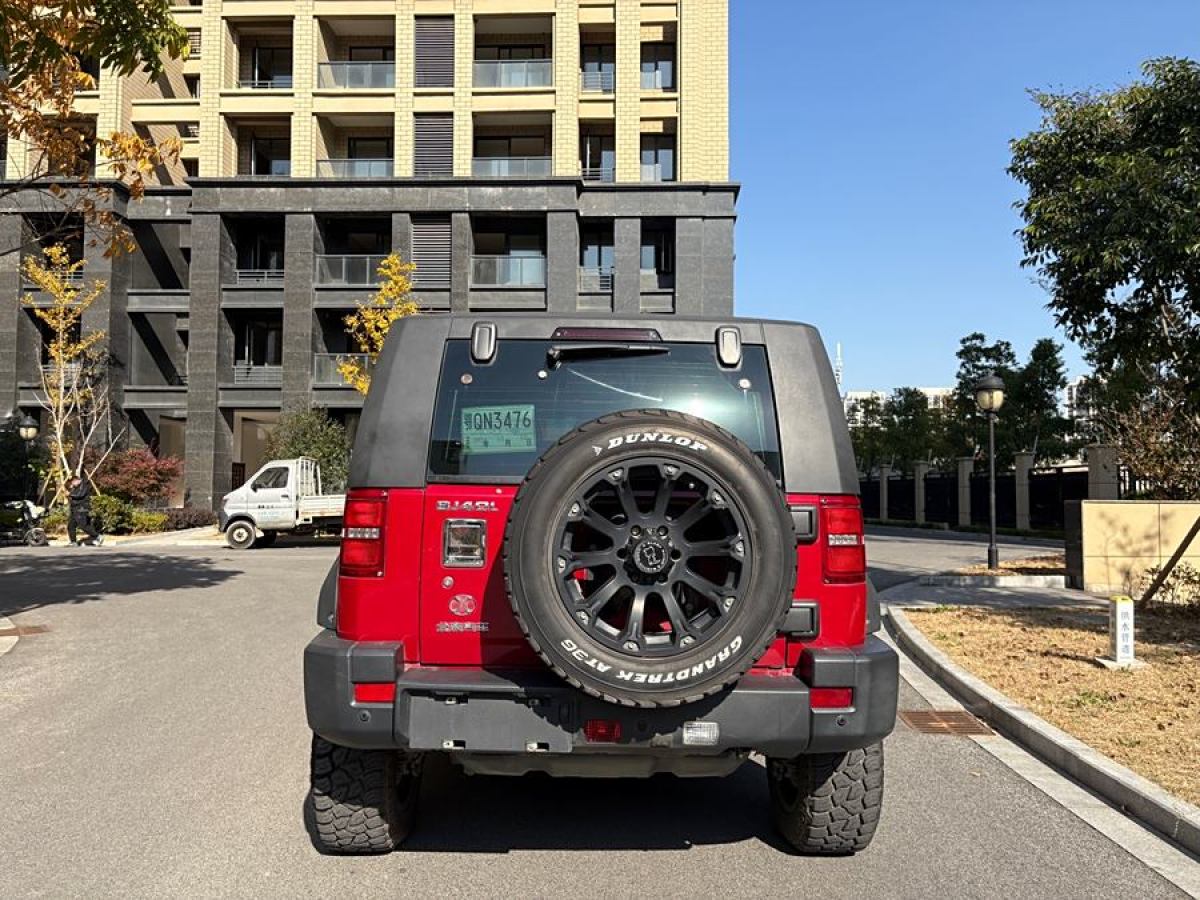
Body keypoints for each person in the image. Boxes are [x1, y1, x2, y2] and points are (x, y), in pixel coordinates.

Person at [67, 475, 103, 547]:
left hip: (81, 509)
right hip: (74, 509)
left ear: (77, 480)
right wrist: (71, 491)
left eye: (73, 482)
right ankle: (73, 542)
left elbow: (80, 495)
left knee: (83, 525)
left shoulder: (84, 486)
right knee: (71, 525)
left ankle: (97, 536)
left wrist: (70, 494)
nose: (72, 484)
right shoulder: (75, 487)